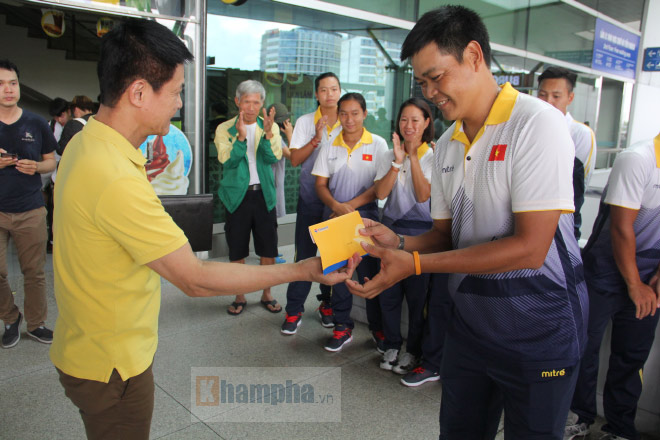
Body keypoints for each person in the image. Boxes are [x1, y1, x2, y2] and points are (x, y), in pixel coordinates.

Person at [50, 19, 357, 440]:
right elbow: (195, 279)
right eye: (175, 92)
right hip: (112, 366)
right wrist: (303, 271)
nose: (179, 104)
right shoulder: (113, 174)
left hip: (89, 345)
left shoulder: (86, 143)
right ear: (138, 92)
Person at [346, 6, 587, 439]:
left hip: (539, 330)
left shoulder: (537, 124)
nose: (430, 92)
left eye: (437, 77)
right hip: (472, 328)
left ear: (474, 55)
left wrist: (414, 266)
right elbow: (443, 237)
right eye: (421, 82)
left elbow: (530, 249)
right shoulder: (447, 146)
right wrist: (398, 242)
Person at [564, 134, 660, 440]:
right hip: (604, 273)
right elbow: (621, 227)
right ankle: (580, 415)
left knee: (632, 356)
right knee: (584, 348)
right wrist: (634, 284)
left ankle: (620, 427)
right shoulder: (638, 159)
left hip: (648, 278)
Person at [313, 92, 388, 352]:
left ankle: (378, 328)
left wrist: (351, 207)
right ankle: (342, 326)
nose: (349, 119)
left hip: (364, 217)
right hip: (333, 217)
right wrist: (336, 206)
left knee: (369, 275)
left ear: (365, 114)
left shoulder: (378, 145)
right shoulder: (330, 143)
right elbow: (320, 184)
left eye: (355, 113)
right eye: (343, 113)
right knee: (339, 275)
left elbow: (379, 188)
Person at [373, 97, 434, 374]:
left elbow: (424, 195)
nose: (408, 126)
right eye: (404, 120)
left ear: (427, 123)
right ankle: (392, 344)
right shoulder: (387, 154)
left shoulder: (435, 155)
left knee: (417, 297)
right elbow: (380, 194)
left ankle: (413, 351)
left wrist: (412, 156)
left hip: (422, 236)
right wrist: (397, 163)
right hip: (390, 231)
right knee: (389, 291)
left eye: (415, 120)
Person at [0, 59, 57, 349]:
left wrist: (35, 167)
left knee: (34, 272)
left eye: (12, 83)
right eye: (0, 84)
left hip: (31, 209)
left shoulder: (36, 122)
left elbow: (50, 160)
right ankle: (10, 318)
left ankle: (36, 324)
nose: (8, 89)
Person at [280, 72, 342, 335]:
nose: (329, 94)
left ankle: (327, 305)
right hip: (310, 200)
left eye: (334, 89)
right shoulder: (306, 121)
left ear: (340, 91)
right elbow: (294, 160)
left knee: (333, 258)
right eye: (324, 90)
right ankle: (293, 310)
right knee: (304, 256)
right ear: (316, 95)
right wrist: (316, 138)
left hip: (338, 202)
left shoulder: (348, 119)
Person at [215, 80, 283, 315]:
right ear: (238, 102)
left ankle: (267, 294)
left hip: (263, 195)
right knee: (237, 249)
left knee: (268, 249)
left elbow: (273, 157)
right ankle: (240, 295)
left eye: (256, 102)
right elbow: (228, 160)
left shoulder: (270, 127)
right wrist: (242, 138)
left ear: (262, 103)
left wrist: (265, 134)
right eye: (247, 102)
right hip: (237, 196)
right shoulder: (226, 129)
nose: (252, 107)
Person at [538, 66, 597, 239]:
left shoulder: (580, 134)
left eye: (556, 96)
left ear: (570, 97)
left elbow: (580, 182)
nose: (548, 101)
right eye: (542, 94)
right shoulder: (528, 129)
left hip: (564, 218)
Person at [267, 102, 292, 263]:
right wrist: (291, 135)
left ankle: (272, 251)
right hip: (271, 185)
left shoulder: (273, 136)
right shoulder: (276, 139)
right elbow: (293, 156)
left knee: (271, 221)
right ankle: (270, 253)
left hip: (273, 183)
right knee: (270, 222)